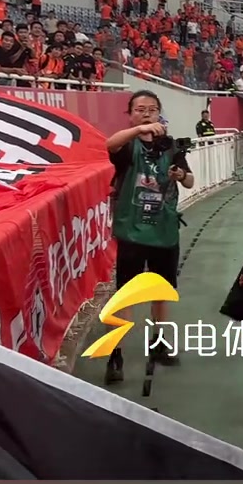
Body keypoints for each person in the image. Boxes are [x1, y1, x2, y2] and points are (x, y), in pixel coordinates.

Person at [104, 91, 194, 386]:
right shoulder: (128, 147)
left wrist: (180, 175)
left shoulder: (170, 146)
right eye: (140, 109)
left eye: (152, 109)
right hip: (132, 231)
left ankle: (159, 343)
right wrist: (139, 131)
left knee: (160, 292)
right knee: (126, 295)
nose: (146, 114)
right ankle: (115, 354)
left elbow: (190, 180)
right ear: (130, 115)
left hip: (164, 232)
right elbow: (110, 144)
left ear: (160, 113)